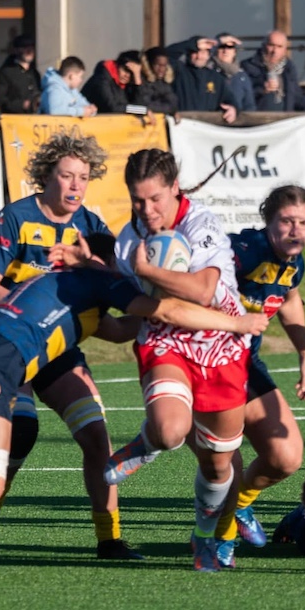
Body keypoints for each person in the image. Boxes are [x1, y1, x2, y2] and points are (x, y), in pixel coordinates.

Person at [0, 234, 269, 589]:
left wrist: (152, 304)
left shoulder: (70, 287)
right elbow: (167, 309)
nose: (128, 273)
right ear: (107, 263)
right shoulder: (97, 278)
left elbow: (121, 329)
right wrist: (236, 322)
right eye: (123, 265)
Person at [0, 133, 140, 562]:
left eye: (83, 177)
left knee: (97, 436)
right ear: (45, 177)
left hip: (59, 349)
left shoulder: (93, 229)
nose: (75, 186)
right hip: (10, 345)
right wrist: (34, 308)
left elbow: (110, 311)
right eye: (66, 175)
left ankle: (109, 540)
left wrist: (157, 312)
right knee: (21, 432)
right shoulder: (13, 219)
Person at [104, 149, 253, 572]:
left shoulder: (201, 223)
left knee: (219, 463)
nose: (147, 210)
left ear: (175, 189)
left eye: (155, 199)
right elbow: (130, 291)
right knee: (171, 432)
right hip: (166, 341)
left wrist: (148, 273)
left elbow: (203, 292)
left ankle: (203, 536)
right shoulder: (128, 238)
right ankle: (147, 443)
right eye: (137, 200)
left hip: (221, 345)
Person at [213, 185, 305, 567]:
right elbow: (204, 279)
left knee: (285, 457)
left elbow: (288, 299)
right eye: (286, 221)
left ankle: (239, 505)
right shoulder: (242, 252)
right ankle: (219, 536)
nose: (295, 230)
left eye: (303, 223)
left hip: (246, 364)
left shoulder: (295, 261)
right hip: (206, 364)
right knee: (227, 457)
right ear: (268, 221)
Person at [166, 36, 238, 123]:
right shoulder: (179, 72)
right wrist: (192, 44)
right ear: (188, 54)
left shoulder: (216, 78)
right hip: (182, 127)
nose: (199, 56)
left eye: (203, 52)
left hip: (206, 130)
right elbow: (165, 55)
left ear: (208, 55)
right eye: (195, 52)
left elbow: (230, 100)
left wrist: (234, 109)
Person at [241, 29, 303, 112]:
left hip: (285, 119)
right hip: (257, 119)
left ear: (285, 50)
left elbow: (297, 97)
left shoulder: (289, 68)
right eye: (271, 45)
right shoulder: (247, 66)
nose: (275, 51)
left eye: (279, 46)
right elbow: (240, 96)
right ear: (264, 45)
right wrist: (262, 90)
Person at [80, 50, 147, 114]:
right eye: (126, 70)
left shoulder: (128, 83)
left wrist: (137, 78)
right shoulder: (102, 79)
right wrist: (141, 110)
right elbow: (112, 107)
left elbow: (140, 106)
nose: (127, 75)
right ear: (118, 65)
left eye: (132, 73)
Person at [0, 35, 41, 114]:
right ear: (16, 50)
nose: (29, 51)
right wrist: (22, 105)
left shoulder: (35, 73)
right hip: (13, 119)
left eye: (31, 48)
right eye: (25, 48)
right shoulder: (5, 73)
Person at [211, 33, 255, 112]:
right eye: (221, 47)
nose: (225, 51)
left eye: (229, 47)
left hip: (238, 122)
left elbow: (249, 105)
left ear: (234, 51)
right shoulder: (208, 72)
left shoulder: (242, 77)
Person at [138, 47, 178, 116]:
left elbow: (173, 104)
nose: (161, 69)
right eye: (158, 65)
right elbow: (144, 104)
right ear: (149, 64)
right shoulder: (140, 81)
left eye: (164, 65)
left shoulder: (164, 83)